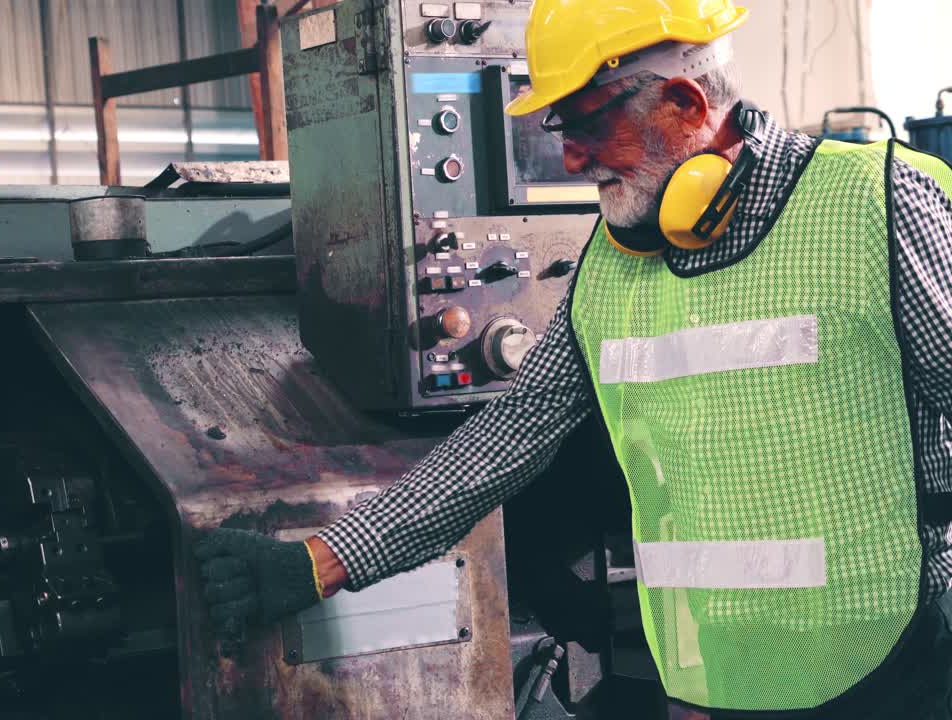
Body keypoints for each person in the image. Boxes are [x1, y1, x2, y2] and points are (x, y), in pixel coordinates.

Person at [194, 1, 952, 717]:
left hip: (904, 662)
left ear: (686, 104)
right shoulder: (619, 263)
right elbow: (506, 435)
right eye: (559, 124)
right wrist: (322, 562)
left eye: (591, 121)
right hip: (727, 676)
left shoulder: (873, 207)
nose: (568, 154)